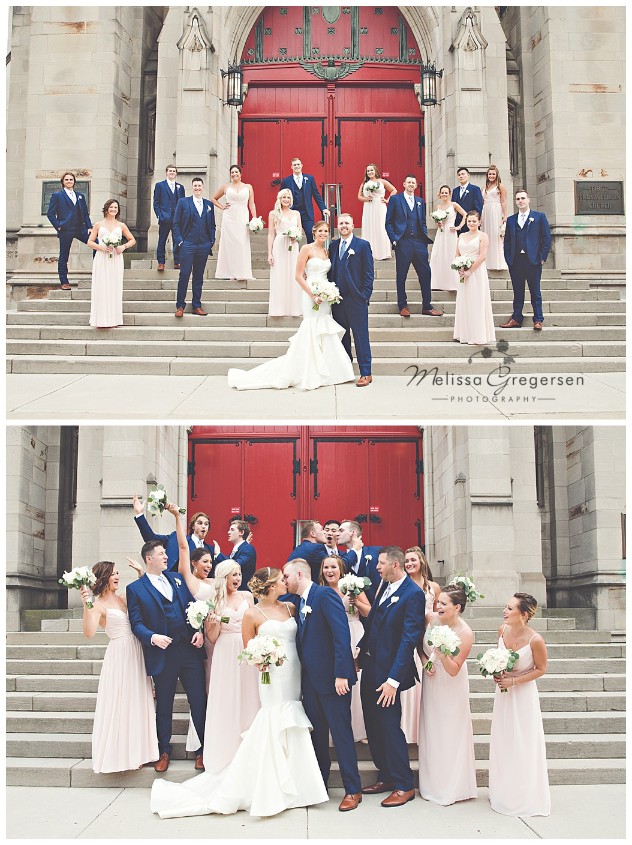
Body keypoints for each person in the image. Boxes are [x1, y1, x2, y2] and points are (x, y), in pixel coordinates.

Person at [150, 567, 329, 818]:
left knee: (292, 719)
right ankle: (270, 780)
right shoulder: (252, 614)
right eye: (280, 581)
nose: (285, 583)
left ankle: (300, 781)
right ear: (270, 586)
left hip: (294, 673)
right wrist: (263, 660)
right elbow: (249, 649)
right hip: (271, 674)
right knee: (271, 717)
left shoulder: (291, 607)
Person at [126, 506, 207, 773]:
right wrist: (152, 638)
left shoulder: (177, 579)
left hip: (190, 650)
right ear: (149, 559)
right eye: (161, 554)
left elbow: (193, 608)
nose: (166, 556)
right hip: (163, 653)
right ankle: (163, 750)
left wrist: (199, 631)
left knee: (199, 700)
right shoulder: (135, 589)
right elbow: (136, 623)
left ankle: (203, 750)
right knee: (165, 705)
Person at [227, 221, 355, 391]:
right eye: (320, 231)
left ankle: (330, 370)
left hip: (325, 296)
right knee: (311, 327)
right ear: (314, 232)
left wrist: (329, 292)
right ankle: (307, 371)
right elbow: (298, 275)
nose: (323, 233)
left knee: (323, 327)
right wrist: (312, 294)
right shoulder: (306, 249)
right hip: (310, 294)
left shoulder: (327, 251)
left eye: (326, 231)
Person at [283, 559, 363, 812]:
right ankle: (320, 785)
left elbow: (342, 635)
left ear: (298, 574)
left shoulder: (325, 595)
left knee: (340, 734)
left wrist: (341, 674)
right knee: (317, 736)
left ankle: (353, 789)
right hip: (311, 682)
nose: (285, 582)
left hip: (333, 680)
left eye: (286, 577)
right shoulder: (301, 601)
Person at [357, 546, 425, 808]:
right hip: (371, 667)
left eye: (381, 563)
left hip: (389, 674)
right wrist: (359, 653)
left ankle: (404, 784)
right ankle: (385, 775)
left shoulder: (413, 595)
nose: (377, 567)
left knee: (389, 726)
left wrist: (394, 680)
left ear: (394, 565)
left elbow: (409, 639)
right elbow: (374, 621)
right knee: (372, 724)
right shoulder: (385, 586)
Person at [79, 561, 158, 773]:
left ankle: (142, 751)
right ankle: (122, 755)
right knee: (121, 701)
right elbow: (89, 632)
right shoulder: (98, 605)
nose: (117, 576)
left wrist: (142, 572)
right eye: (113, 574)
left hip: (136, 651)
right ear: (103, 577)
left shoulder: (123, 597)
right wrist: (86, 604)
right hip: (120, 654)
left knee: (138, 699)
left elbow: (144, 592)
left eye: (117, 573)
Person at [488, 593, 550, 816]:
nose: (504, 611)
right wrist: (498, 673)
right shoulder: (501, 630)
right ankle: (503, 791)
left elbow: (541, 669)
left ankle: (525, 795)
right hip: (503, 696)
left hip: (523, 697)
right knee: (504, 741)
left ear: (523, 614)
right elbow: (498, 657)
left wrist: (514, 680)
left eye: (509, 608)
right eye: (505, 607)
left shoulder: (536, 640)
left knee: (523, 744)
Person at [418, 584, 477, 805]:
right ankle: (432, 783)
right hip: (431, 680)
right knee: (432, 729)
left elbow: (454, 670)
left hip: (451, 685)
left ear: (457, 607)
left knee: (450, 731)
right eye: (438, 602)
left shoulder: (465, 633)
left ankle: (452, 787)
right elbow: (419, 645)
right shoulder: (430, 619)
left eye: (444, 603)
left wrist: (442, 655)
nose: (438, 606)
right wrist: (425, 662)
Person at [203, 561, 259, 773]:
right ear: (223, 577)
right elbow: (213, 637)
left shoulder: (247, 596)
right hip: (225, 650)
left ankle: (250, 748)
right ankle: (226, 750)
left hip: (246, 647)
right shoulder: (213, 601)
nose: (237, 578)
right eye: (232, 575)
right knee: (227, 697)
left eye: (238, 574)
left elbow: (255, 624)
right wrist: (214, 622)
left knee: (249, 695)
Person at [319, 554, 370, 743]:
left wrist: (356, 600)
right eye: (326, 568)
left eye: (333, 567)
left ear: (341, 569)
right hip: (332, 638)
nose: (329, 571)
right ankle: (337, 730)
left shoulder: (352, 588)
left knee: (356, 682)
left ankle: (360, 730)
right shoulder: (321, 591)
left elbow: (370, 613)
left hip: (354, 633)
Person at [385, 175, 442, 318]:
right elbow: (389, 222)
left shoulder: (420, 201)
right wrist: (394, 239)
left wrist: (423, 235)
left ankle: (427, 306)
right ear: (404, 184)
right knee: (401, 275)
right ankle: (402, 305)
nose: (411, 184)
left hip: (419, 243)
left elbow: (423, 221)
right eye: (408, 182)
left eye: (413, 183)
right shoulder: (395, 199)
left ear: (416, 186)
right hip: (402, 242)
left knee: (425, 273)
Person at [399, 546, 440, 743]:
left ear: (421, 561)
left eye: (413, 560)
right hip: (407, 636)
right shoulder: (401, 585)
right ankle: (407, 730)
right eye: (406, 561)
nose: (409, 564)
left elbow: (437, 614)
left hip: (427, 637)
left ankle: (424, 729)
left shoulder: (433, 587)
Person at [329, 213, 375, 388]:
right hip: (337, 300)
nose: (344, 226)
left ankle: (366, 372)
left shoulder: (362, 245)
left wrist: (365, 295)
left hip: (356, 299)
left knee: (360, 336)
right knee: (343, 337)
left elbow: (369, 273)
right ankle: (346, 369)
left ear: (353, 225)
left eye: (347, 223)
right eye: (341, 223)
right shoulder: (333, 246)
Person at [500, 188, 551, 332]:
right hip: (516, 261)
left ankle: (538, 319)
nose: (520, 201)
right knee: (518, 291)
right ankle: (516, 318)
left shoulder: (539, 217)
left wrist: (542, 257)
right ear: (515, 202)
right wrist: (508, 258)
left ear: (528, 200)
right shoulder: (511, 220)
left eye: (523, 198)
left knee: (535, 292)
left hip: (533, 260)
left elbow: (546, 238)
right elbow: (507, 242)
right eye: (518, 199)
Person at [132, 494, 214, 571]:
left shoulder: (211, 549)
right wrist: (139, 514)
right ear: (193, 526)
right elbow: (150, 538)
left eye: (206, 524)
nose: (203, 526)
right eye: (200, 523)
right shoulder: (175, 538)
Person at [86, 199, 135, 328]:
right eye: (112, 207)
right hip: (102, 257)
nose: (114, 209)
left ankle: (113, 319)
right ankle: (101, 320)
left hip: (116, 258)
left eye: (116, 208)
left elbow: (132, 240)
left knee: (114, 287)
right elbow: (90, 242)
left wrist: (123, 247)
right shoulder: (98, 224)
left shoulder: (121, 225)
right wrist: (101, 247)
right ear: (107, 208)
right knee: (102, 286)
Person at [172, 177, 216, 318]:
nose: (197, 188)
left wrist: (211, 241)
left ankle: (197, 305)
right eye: (195, 186)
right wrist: (180, 242)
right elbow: (176, 224)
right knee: (184, 275)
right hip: (187, 245)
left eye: (199, 185)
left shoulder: (209, 205)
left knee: (198, 276)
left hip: (203, 245)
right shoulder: (183, 202)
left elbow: (212, 225)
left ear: (203, 187)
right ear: (192, 187)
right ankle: (180, 306)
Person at [453, 211, 496, 346]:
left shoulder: (483, 236)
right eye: (469, 221)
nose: (471, 223)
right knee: (464, 300)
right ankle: (464, 333)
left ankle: (477, 335)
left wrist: (470, 271)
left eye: (474, 221)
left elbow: (482, 256)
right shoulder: (461, 235)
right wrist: (459, 267)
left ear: (479, 222)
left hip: (476, 272)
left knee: (476, 301)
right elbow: (457, 253)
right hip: (463, 272)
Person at [46, 171, 93, 290]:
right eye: (66, 180)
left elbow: (85, 214)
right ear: (63, 182)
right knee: (64, 256)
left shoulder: (80, 196)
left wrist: (90, 227)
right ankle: (64, 282)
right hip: (65, 230)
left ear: (74, 182)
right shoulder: (57, 195)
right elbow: (50, 214)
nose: (69, 181)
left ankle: (98, 273)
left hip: (80, 229)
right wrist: (59, 226)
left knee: (97, 243)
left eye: (71, 180)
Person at [213, 164, 257, 281]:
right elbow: (214, 199)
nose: (234, 174)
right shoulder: (225, 187)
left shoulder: (248, 187)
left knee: (241, 242)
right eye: (232, 172)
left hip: (243, 216)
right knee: (230, 243)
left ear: (240, 174)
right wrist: (222, 207)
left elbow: (251, 204)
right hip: (229, 217)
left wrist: (255, 218)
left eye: (236, 172)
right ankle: (229, 272)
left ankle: (242, 271)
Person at [287, 520, 360, 582]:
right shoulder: (315, 548)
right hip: (295, 597)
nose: (326, 533)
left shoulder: (305, 546)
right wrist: (355, 550)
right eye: (322, 530)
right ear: (313, 534)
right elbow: (339, 565)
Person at [267, 188, 303, 317]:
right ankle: (278, 309)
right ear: (279, 199)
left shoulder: (296, 213)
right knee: (279, 274)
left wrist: (296, 236)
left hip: (293, 246)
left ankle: (294, 308)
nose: (286, 200)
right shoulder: (273, 214)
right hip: (279, 245)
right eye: (284, 197)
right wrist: (269, 254)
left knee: (294, 274)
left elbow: (300, 230)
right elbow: (271, 234)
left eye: (288, 197)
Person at [281, 157, 329, 243]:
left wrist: (323, 208)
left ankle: (310, 255)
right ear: (291, 167)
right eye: (294, 165)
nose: (297, 166)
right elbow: (281, 196)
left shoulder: (310, 179)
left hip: (307, 213)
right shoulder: (286, 181)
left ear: (302, 165)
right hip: (292, 212)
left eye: (298, 164)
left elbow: (316, 194)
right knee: (291, 236)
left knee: (310, 235)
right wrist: (280, 210)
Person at [429, 185, 467, 292]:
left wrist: (458, 227)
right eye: (442, 193)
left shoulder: (454, 205)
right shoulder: (438, 208)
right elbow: (437, 223)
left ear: (449, 194)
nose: (444, 194)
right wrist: (439, 223)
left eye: (446, 193)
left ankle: (452, 283)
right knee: (438, 256)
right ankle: (437, 282)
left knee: (451, 256)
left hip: (451, 233)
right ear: (439, 194)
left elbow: (465, 214)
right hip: (441, 234)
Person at [357, 164, 396, 260]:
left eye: (371, 170)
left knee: (381, 227)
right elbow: (359, 196)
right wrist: (366, 199)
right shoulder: (364, 183)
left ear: (376, 171)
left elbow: (393, 190)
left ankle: (383, 252)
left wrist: (387, 200)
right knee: (369, 227)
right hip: (369, 207)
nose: (370, 172)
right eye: (368, 171)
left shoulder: (382, 181)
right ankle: (369, 252)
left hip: (380, 206)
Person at [336, 520, 382, 601]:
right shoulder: (340, 558)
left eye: (341, 530)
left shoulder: (376, 552)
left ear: (352, 533)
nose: (337, 534)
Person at [153, 164, 185, 271]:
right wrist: (159, 216)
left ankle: (178, 261)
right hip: (164, 217)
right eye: (170, 171)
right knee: (162, 240)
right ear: (166, 172)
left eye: (174, 171)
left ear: (176, 173)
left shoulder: (180, 187)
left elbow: (182, 203)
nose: (172, 173)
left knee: (177, 240)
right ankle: (161, 262)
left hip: (177, 219)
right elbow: (156, 203)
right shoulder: (160, 185)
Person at [212, 519, 257, 592]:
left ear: (241, 532)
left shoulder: (248, 549)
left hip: (243, 593)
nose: (228, 532)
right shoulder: (238, 549)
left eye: (232, 530)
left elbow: (235, 565)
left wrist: (218, 554)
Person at [480, 165, 508, 270]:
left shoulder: (500, 186)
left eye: (493, 174)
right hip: (485, 211)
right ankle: (486, 261)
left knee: (496, 236)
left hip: (496, 210)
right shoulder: (484, 187)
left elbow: (504, 201)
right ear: (487, 175)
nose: (491, 176)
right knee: (486, 235)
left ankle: (498, 262)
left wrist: (505, 215)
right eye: (489, 174)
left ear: (496, 175)